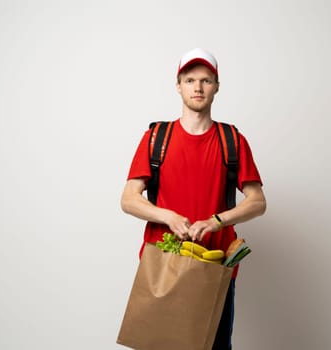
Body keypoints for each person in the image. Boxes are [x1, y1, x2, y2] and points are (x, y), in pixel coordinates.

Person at [120, 48, 266, 350]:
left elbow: (257, 201)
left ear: (216, 86)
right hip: (163, 266)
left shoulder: (232, 141)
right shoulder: (156, 138)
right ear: (178, 85)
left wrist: (216, 221)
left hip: (215, 269)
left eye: (205, 80)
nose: (197, 88)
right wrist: (168, 217)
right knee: (159, 345)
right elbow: (129, 199)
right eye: (189, 80)